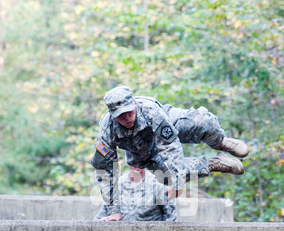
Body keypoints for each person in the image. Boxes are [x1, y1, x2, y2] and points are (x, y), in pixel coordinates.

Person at [91, 86, 249, 221]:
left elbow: (170, 147)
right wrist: (114, 211)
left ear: (135, 104)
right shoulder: (106, 131)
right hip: (142, 152)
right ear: (112, 115)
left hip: (168, 123)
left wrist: (179, 184)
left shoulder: (150, 111)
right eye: (120, 115)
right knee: (168, 177)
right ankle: (213, 163)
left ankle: (221, 142)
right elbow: (105, 170)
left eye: (129, 112)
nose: (127, 118)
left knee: (203, 122)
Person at [95, 166, 177, 222]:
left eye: (140, 159)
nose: (137, 164)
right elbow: (100, 218)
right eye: (133, 158)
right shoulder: (116, 186)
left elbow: (171, 219)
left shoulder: (157, 185)